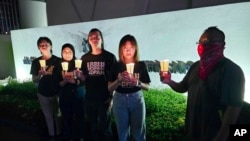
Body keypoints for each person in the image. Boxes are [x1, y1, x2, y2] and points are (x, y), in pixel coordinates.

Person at [160, 26, 245, 141]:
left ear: (223, 45)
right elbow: (183, 87)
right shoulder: (196, 66)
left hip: (215, 134)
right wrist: (169, 81)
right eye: (201, 42)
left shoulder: (231, 70)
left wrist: (221, 137)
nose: (204, 45)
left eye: (209, 42)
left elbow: (234, 107)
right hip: (194, 131)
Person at [108, 34, 151, 141]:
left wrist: (137, 82)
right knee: (122, 134)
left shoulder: (141, 65)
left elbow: (147, 87)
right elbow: (109, 88)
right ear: (120, 49)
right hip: (120, 100)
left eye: (131, 48)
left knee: (138, 133)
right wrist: (118, 81)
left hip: (136, 99)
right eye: (125, 48)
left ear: (135, 49)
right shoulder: (116, 66)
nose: (128, 51)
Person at [80, 28, 117, 141]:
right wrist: (79, 76)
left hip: (104, 99)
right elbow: (83, 79)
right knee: (93, 128)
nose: (94, 39)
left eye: (97, 37)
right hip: (90, 98)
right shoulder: (84, 58)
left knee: (106, 129)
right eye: (91, 37)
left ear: (101, 39)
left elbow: (115, 80)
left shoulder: (110, 57)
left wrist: (111, 98)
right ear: (88, 40)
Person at [30, 37, 62, 140]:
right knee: (48, 116)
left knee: (58, 115)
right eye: (41, 45)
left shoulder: (58, 61)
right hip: (43, 93)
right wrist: (40, 75)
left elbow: (63, 77)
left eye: (45, 44)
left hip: (56, 93)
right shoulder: (36, 62)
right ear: (39, 48)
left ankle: (59, 133)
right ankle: (52, 135)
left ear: (51, 46)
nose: (43, 46)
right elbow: (34, 80)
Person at [53, 43, 86, 141]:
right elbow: (57, 84)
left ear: (73, 52)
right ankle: (69, 137)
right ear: (61, 53)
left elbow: (84, 81)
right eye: (65, 52)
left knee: (80, 117)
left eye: (70, 52)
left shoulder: (78, 64)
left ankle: (81, 137)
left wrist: (76, 80)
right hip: (65, 96)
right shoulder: (58, 66)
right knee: (67, 118)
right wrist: (65, 80)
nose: (67, 54)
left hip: (78, 95)